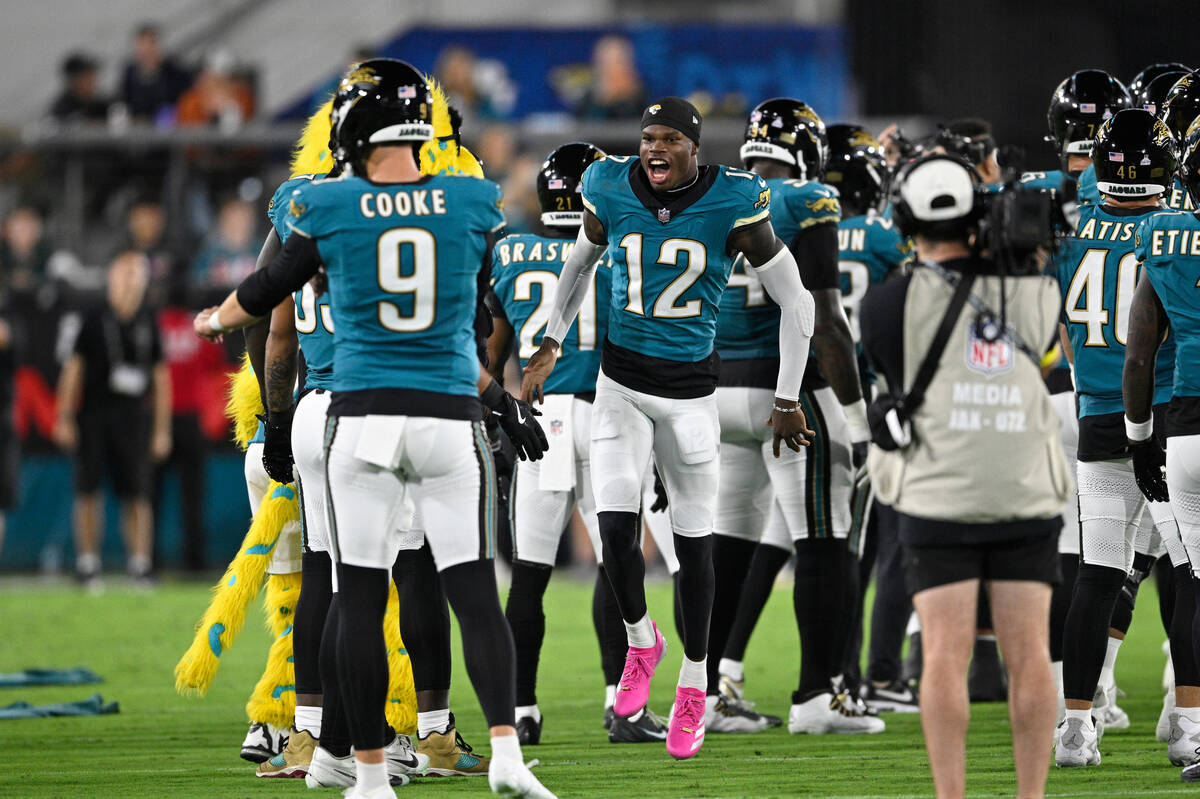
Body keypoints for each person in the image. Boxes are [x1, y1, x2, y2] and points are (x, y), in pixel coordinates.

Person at [195, 58, 555, 799]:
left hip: (348, 411)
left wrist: (215, 321)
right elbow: (476, 320)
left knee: (346, 588)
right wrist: (500, 396)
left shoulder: (318, 206)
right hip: (447, 412)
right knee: (468, 589)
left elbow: (265, 303)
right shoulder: (469, 201)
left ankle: (353, 763)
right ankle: (492, 749)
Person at [521, 95, 816, 760]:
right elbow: (579, 262)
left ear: (694, 147)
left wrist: (788, 394)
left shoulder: (735, 200)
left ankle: (693, 680)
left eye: (668, 140)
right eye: (647, 137)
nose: (654, 149)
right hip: (619, 386)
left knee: (696, 550)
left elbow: (796, 298)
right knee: (617, 534)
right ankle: (640, 640)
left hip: (690, 398)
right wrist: (551, 339)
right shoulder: (606, 183)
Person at [860, 154, 1064, 799]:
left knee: (944, 653)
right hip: (1022, 487)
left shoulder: (887, 302)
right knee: (1029, 653)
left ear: (904, 219)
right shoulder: (1034, 288)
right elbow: (1045, 340)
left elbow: (891, 365)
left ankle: (953, 795)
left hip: (938, 491)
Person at [491, 141, 672, 746]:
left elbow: (491, 350)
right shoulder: (625, 246)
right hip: (609, 415)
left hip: (540, 416)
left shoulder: (510, 252)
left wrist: (497, 413)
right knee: (618, 565)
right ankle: (620, 704)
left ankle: (521, 710)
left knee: (530, 576)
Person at [707, 98, 875, 736]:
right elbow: (826, 319)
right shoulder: (807, 199)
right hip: (791, 395)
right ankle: (816, 697)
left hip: (719, 392)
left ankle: (707, 692)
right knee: (824, 542)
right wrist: (858, 423)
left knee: (726, 548)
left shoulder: (716, 193)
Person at [1053, 109, 1197, 769]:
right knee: (1185, 568)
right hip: (1158, 413)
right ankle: (1187, 719)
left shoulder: (1072, 224)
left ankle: (1075, 727)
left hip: (1095, 412)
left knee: (1098, 570)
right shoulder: (1168, 231)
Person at [1124, 120, 1200, 783]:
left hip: (1184, 423)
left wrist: (1142, 434)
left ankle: (1194, 726)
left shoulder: (1161, 233)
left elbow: (1140, 349)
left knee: (1196, 582)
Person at [53, 252, 171, 588]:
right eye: (125, 272)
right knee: (88, 490)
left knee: (137, 493)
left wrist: (162, 429)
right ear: (111, 276)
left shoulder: (149, 320)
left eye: (137, 273)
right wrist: (64, 417)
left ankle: (140, 564)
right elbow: (73, 370)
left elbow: (162, 379)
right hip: (93, 415)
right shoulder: (92, 318)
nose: (131, 279)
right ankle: (88, 563)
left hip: (133, 417)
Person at [118, 23, 193, 123]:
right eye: (142, 44)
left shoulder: (176, 74)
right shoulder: (129, 73)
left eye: (151, 43)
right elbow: (123, 104)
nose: (147, 50)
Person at [576, 35, 646, 120]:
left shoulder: (641, 101)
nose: (612, 69)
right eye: (606, 62)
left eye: (618, 62)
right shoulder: (587, 100)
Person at [48, 52, 108, 123]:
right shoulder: (62, 110)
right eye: (86, 76)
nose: (93, 80)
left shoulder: (101, 103)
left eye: (92, 75)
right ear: (74, 80)